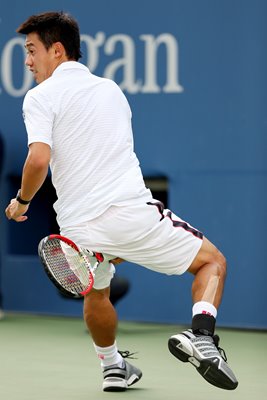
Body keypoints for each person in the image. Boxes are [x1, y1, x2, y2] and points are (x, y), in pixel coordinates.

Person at [5, 12, 238, 392]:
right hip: (129, 215)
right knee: (212, 263)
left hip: (78, 229)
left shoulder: (39, 98)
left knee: (97, 291)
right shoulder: (112, 90)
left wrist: (22, 203)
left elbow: (39, 159)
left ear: (58, 50)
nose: (27, 61)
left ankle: (112, 365)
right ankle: (203, 336)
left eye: (32, 51)